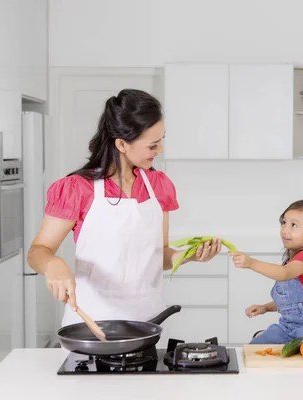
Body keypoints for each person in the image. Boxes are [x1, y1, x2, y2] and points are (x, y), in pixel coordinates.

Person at [27, 89, 222, 327]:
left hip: (147, 323)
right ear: (121, 144)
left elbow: (158, 254)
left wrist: (186, 256)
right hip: (91, 324)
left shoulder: (158, 186)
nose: (160, 150)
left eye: (162, 140)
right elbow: (38, 250)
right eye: (153, 145)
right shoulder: (77, 188)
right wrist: (52, 264)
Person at [229, 199, 303, 344]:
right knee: (255, 346)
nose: (285, 230)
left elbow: (284, 273)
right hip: (287, 327)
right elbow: (291, 302)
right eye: (283, 223)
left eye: (293, 225)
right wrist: (266, 307)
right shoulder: (291, 261)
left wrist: (251, 263)